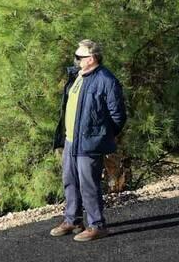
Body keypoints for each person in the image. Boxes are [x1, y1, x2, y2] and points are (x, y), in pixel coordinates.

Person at [50, 39, 127, 242]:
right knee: (70, 181)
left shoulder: (106, 80)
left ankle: (97, 225)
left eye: (79, 57)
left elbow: (118, 116)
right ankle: (73, 220)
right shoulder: (77, 76)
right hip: (71, 140)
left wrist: (100, 135)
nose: (75, 60)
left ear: (91, 59)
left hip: (90, 142)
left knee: (89, 185)